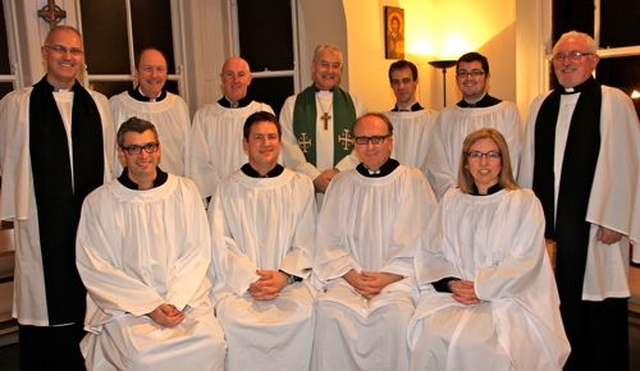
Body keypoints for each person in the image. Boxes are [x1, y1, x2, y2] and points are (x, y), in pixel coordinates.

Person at [519, 30, 640, 371]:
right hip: (551, 227)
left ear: (593, 60)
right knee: (551, 297)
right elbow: (529, 162)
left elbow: (627, 161)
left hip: (596, 226)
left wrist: (614, 218)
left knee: (595, 299)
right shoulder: (541, 104)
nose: (567, 63)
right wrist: (527, 217)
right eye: (560, 57)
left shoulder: (612, 100)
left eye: (576, 56)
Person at [0, 25, 114, 370]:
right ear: (45, 52)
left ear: (82, 58)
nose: (68, 57)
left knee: (89, 291)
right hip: (39, 218)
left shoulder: (98, 104)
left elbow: (108, 162)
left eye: (75, 51)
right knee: (45, 299)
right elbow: (8, 160)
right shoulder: (18, 104)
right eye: (60, 49)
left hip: (89, 220)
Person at [408, 128, 570, 371]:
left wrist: (481, 287)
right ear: (465, 162)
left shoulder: (523, 202)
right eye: (476, 155)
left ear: (503, 161)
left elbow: (525, 261)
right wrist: (452, 283)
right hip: (454, 296)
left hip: (507, 299)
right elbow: (430, 251)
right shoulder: (452, 201)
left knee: (481, 343)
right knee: (430, 333)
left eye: (492, 155)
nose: (484, 163)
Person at [76, 117, 226, 371]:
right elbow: (96, 266)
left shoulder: (185, 191)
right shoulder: (99, 202)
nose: (143, 155)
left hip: (183, 300)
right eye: (134, 148)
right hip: (127, 307)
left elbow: (197, 252)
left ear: (158, 149)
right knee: (143, 358)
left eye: (150, 146)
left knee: (211, 343)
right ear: (122, 153)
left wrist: (175, 301)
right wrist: (149, 306)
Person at [312, 113, 437, 371]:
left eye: (377, 139)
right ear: (354, 144)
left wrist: (387, 277)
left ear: (390, 141)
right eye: (362, 140)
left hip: (398, 281)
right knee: (328, 312)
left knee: (397, 318)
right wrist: (351, 276)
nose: (370, 146)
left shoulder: (413, 180)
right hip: (348, 279)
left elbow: (425, 241)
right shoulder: (342, 184)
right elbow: (327, 240)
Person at [209, 111, 317, 371]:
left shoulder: (299, 184)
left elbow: (307, 237)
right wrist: (250, 279)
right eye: (258, 138)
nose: (266, 143)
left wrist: (283, 276)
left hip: (288, 284)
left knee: (304, 314)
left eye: (271, 137)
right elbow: (221, 242)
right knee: (234, 319)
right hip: (242, 286)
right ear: (245, 144)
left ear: (280, 143)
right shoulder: (228, 187)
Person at [424, 52, 523, 200]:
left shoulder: (507, 111)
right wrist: (456, 195)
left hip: (497, 198)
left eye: (476, 72)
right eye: (463, 73)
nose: (469, 78)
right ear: (456, 79)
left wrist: (493, 193)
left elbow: (512, 156)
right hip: (457, 201)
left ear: (487, 77)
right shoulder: (446, 116)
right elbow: (437, 163)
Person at [280, 44, 367, 197]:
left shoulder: (356, 105)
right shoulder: (292, 105)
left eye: (335, 66)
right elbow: (288, 146)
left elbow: (363, 143)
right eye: (324, 65)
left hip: (345, 186)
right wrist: (314, 176)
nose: (330, 71)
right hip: (306, 187)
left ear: (341, 70)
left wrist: (338, 172)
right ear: (313, 66)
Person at [188, 56, 274, 203]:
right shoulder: (204, 116)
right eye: (230, 75)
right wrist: (221, 194)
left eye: (241, 75)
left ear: (249, 79)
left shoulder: (262, 112)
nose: (236, 80)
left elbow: (271, 155)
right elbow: (198, 161)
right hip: (219, 199)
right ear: (222, 78)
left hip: (256, 195)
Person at [110, 47, 190, 176]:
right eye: (148, 69)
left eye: (160, 69)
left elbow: (189, 153)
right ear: (136, 73)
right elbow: (112, 153)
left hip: (172, 186)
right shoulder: (118, 105)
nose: (154, 75)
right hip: (132, 190)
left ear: (166, 74)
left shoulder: (178, 105)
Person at [384, 60, 438, 169]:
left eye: (406, 81)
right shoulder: (383, 121)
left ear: (415, 82)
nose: (401, 87)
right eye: (396, 82)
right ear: (391, 85)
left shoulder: (433, 118)